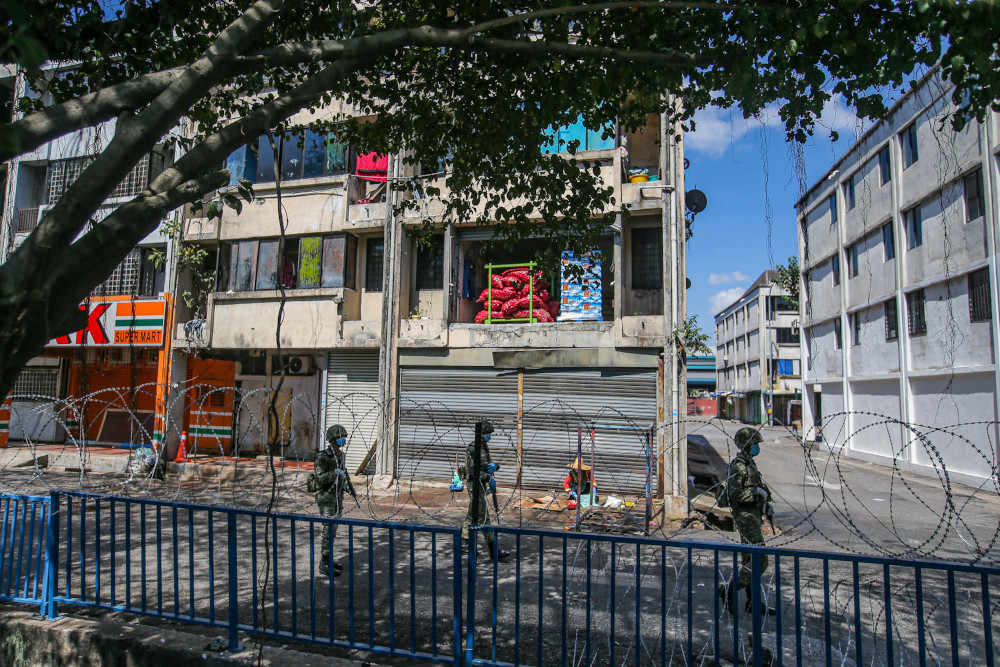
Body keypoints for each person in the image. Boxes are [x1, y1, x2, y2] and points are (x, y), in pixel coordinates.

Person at [719, 426, 775, 615]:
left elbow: (756, 487)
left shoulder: (749, 464)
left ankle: (754, 602)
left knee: (751, 560)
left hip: (754, 515)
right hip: (745, 518)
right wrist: (755, 493)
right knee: (760, 560)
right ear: (747, 445)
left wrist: (766, 503)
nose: (757, 447)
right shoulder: (738, 466)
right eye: (754, 444)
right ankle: (729, 589)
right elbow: (735, 495)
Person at [461, 419, 510, 561]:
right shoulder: (472, 448)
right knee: (482, 516)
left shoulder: (483, 447)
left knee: (474, 514)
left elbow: (486, 464)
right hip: (474, 486)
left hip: (482, 485)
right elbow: (472, 471)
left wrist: (496, 466)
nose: (489, 436)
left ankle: (466, 543)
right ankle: (492, 550)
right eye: (487, 433)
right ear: (481, 434)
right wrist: (487, 478)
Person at [312, 424, 356, 577]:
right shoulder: (323, 456)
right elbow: (320, 477)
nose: (343, 440)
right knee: (328, 529)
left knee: (334, 530)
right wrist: (334, 473)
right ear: (333, 439)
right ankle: (324, 563)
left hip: (337, 497)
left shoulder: (341, 455)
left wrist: (349, 488)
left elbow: (345, 474)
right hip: (326, 497)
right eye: (340, 438)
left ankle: (328, 558)